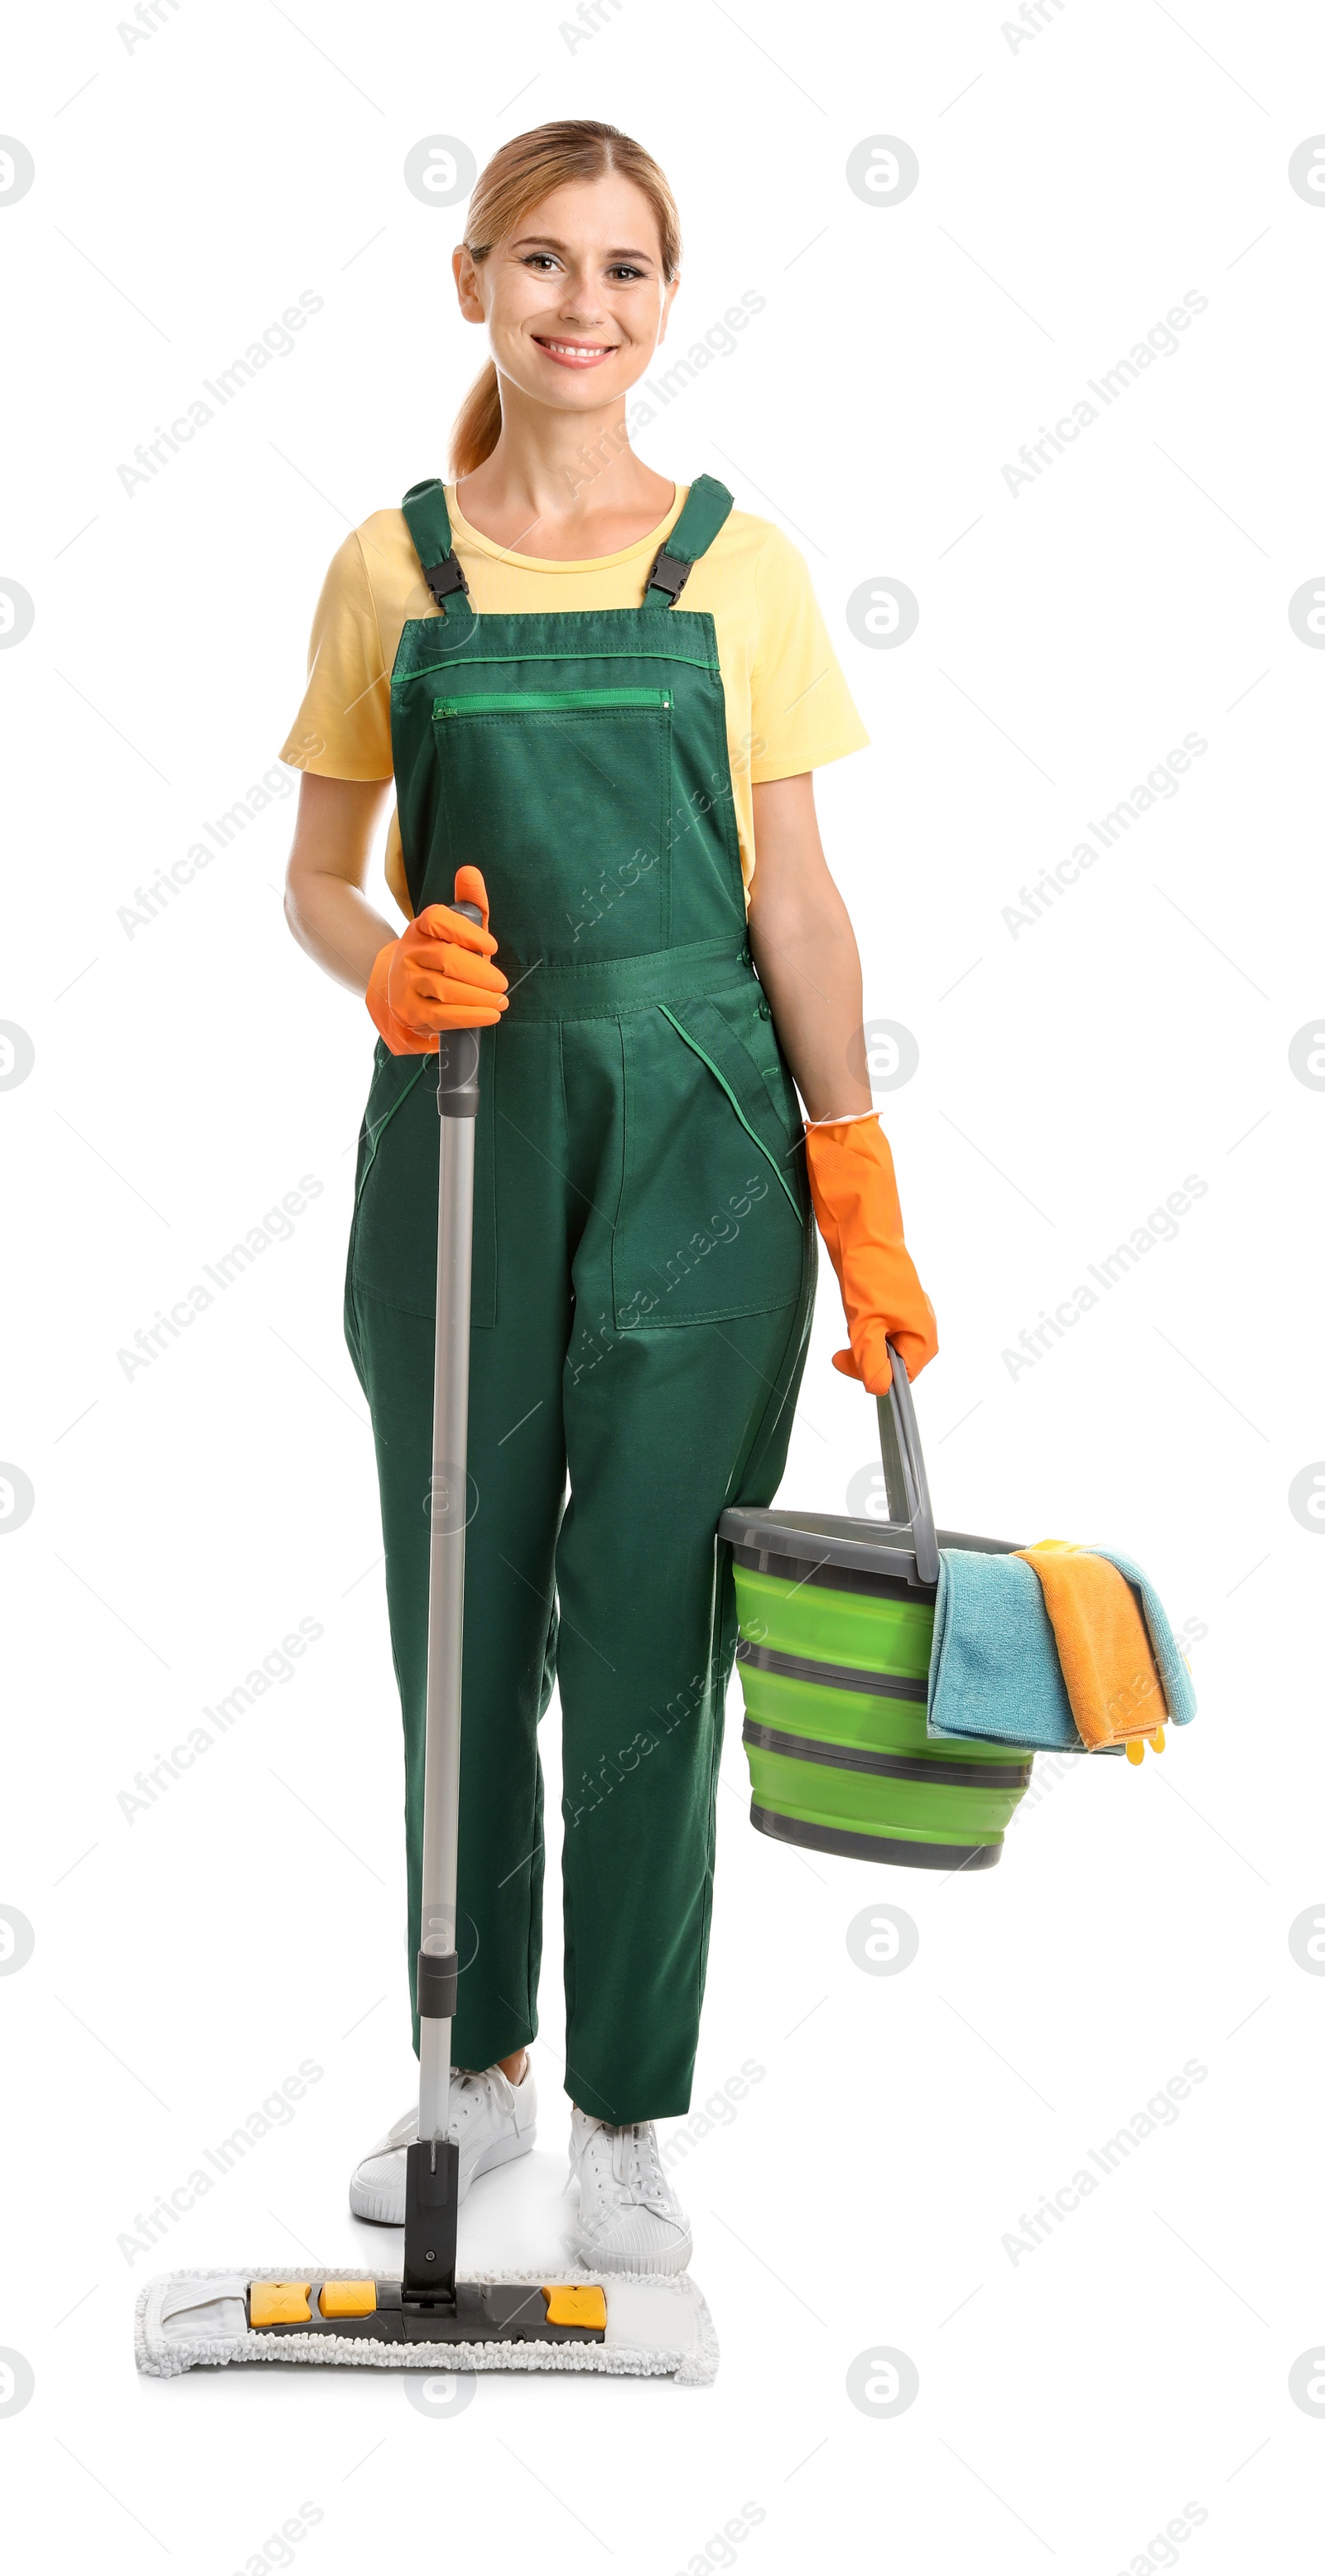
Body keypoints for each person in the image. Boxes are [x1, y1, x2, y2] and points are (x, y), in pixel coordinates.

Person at [282, 118, 937, 2275]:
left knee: (651, 1631)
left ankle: (630, 2112)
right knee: (455, 1617)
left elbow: (804, 907)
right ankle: (465, 2074)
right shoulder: (394, 567)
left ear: (670, 299)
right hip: (462, 1123)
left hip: (705, 1143)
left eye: (628, 269)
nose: (586, 304)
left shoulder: (738, 566)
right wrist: (377, 960)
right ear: (473, 281)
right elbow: (316, 867)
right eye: (544, 263)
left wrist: (859, 1181)